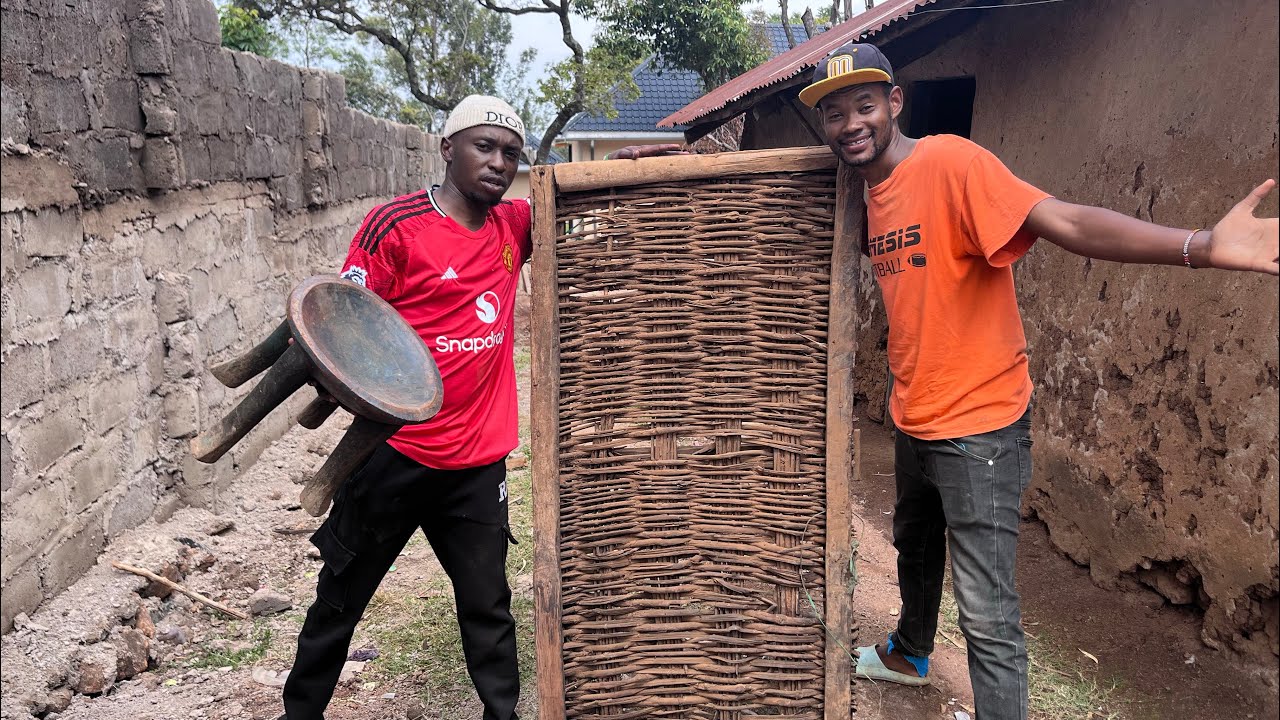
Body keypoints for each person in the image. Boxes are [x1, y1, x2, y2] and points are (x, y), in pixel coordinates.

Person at [796, 43, 1278, 720]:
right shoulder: (857, 188)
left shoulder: (952, 164)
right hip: (913, 409)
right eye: (835, 113)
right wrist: (657, 172)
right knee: (915, 544)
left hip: (980, 428)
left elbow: (1068, 220)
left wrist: (1200, 246)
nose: (851, 123)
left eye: (864, 105)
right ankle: (910, 651)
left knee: (988, 614)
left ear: (894, 103)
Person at [280, 95, 682, 720]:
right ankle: (299, 713)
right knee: (339, 599)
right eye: (484, 147)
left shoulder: (512, 227)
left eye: (510, 154)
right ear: (448, 148)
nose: (499, 163)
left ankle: (503, 714)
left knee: (488, 606)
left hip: (475, 466)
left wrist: (621, 167)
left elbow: (575, 203)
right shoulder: (395, 225)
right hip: (393, 454)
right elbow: (344, 321)